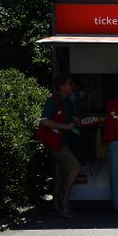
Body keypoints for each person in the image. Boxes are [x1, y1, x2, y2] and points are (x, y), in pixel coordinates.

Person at [40, 74, 80, 218]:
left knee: (63, 173)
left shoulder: (68, 102)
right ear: (61, 86)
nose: (72, 86)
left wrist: (74, 121)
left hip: (63, 142)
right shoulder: (53, 100)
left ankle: (56, 205)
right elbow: (44, 121)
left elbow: (69, 123)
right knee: (75, 169)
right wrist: (66, 126)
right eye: (69, 83)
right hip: (56, 143)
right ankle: (64, 203)